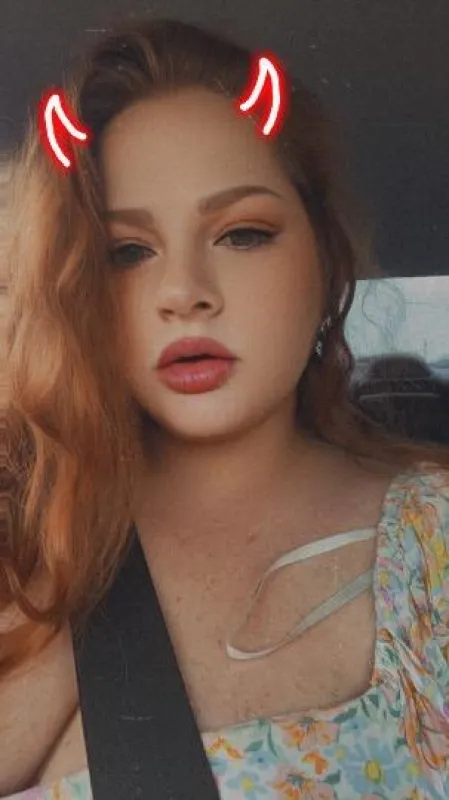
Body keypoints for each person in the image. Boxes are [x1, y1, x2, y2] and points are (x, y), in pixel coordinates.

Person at [1, 15, 449, 800]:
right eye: (126, 252)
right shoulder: (22, 527)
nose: (183, 293)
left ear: (324, 258)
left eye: (241, 234)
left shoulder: (432, 546)